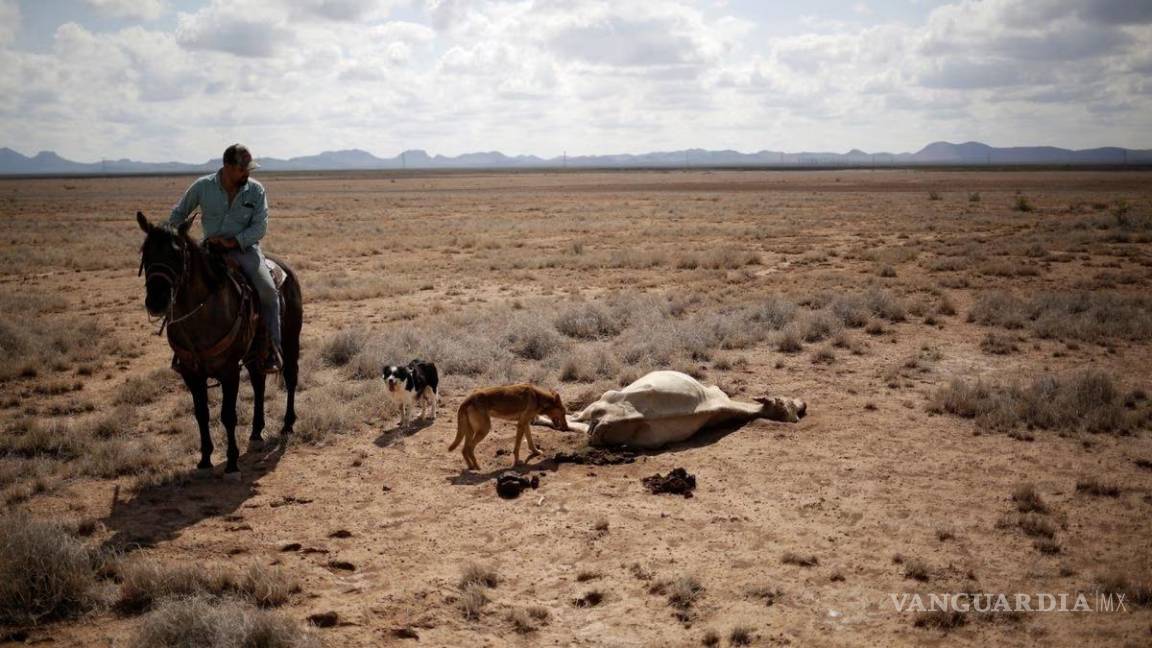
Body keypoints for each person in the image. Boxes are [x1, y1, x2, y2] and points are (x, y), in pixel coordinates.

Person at [167, 143, 282, 372]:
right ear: (227, 167)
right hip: (208, 251)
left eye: (248, 169)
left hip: (245, 251)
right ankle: (182, 351)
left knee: (268, 291)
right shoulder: (202, 186)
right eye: (242, 169)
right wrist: (173, 234)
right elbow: (179, 214)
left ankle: (271, 348)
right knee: (179, 288)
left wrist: (233, 241)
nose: (247, 174)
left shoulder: (256, 190)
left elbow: (260, 226)